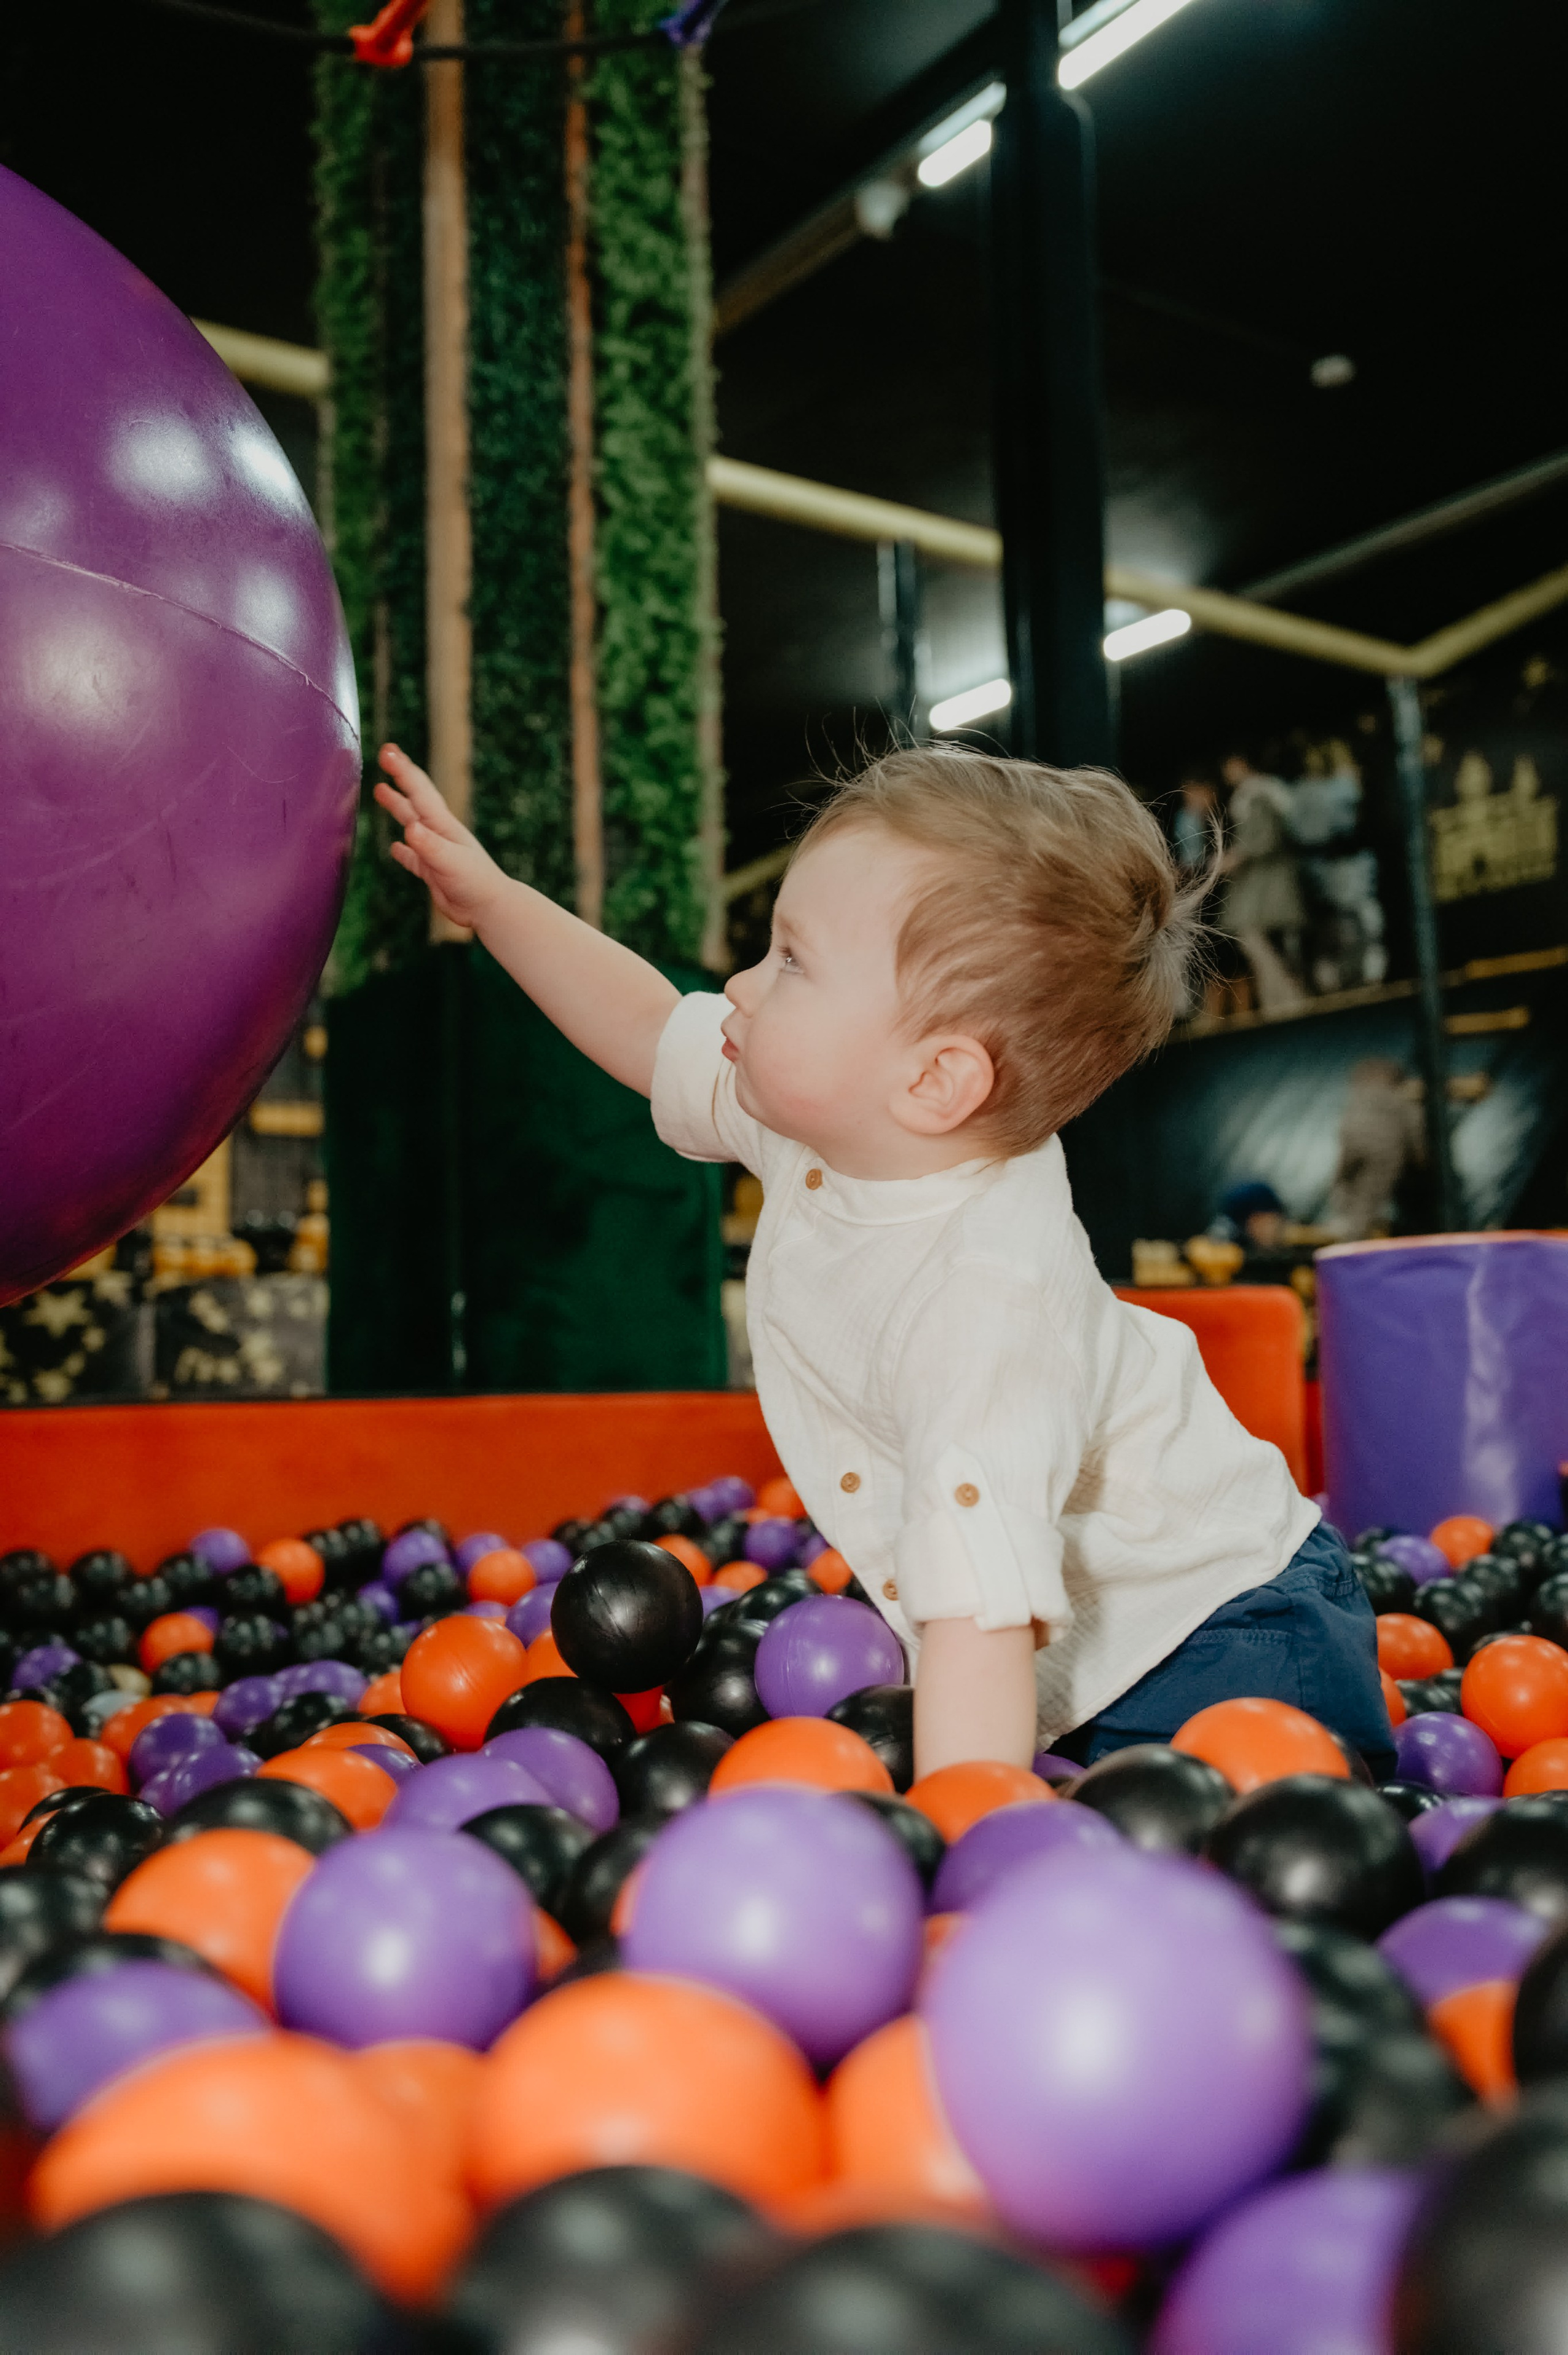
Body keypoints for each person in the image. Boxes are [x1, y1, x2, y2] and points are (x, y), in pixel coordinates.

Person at [375, 741, 1393, 1779]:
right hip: (1069, 1637)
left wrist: (955, 1836)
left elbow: (979, 1617)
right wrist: (494, 901)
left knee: (1171, 1859)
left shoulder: (988, 1299)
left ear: (936, 1079)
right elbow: (648, 1028)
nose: (739, 982)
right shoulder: (838, 1117)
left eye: (791, 961)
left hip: (1228, 1639)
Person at [1218, 752, 1306, 1011]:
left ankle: (1285, 996)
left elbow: (1264, 837)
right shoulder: (1256, 794)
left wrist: (1237, 856)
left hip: (1267, 881)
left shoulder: (1259, 794)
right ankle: (1277, 996)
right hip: (1260, 880)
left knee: (1256, 935)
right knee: (1255, 938)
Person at [1326, 1059, 1426, 1240]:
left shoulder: (1359, 1097)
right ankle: (1353, 1235)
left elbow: (1346, 1127)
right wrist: (1420, 1155)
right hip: (1382, 1152)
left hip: (1353, 1145)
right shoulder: (1401, 1099)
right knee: (1369, 1194)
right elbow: (1416, 1136)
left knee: (1344, 1185)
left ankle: (1342, 1224)